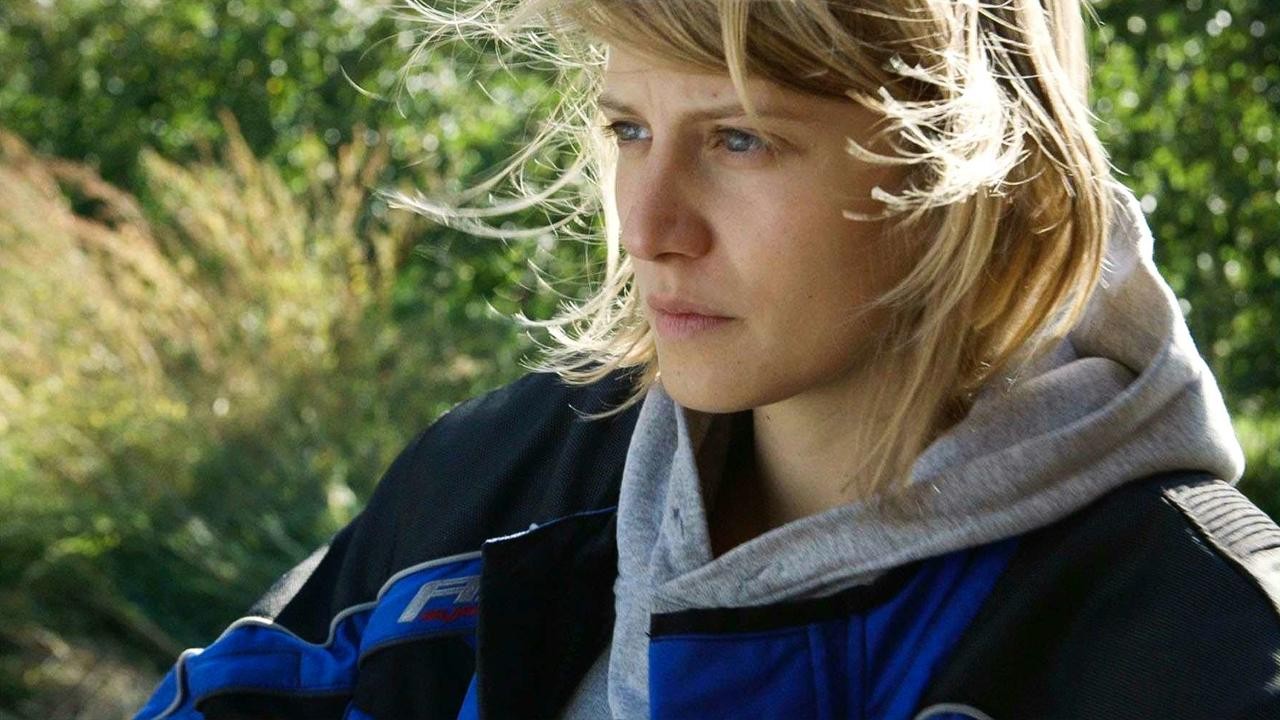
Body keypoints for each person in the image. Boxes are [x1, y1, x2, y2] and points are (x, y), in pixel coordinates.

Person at [136, 1, 1280, 718]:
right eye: (628, 129)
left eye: (739, 139)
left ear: (974, 172)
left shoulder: (1196, 649)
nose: (647, 226)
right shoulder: (491, 481)